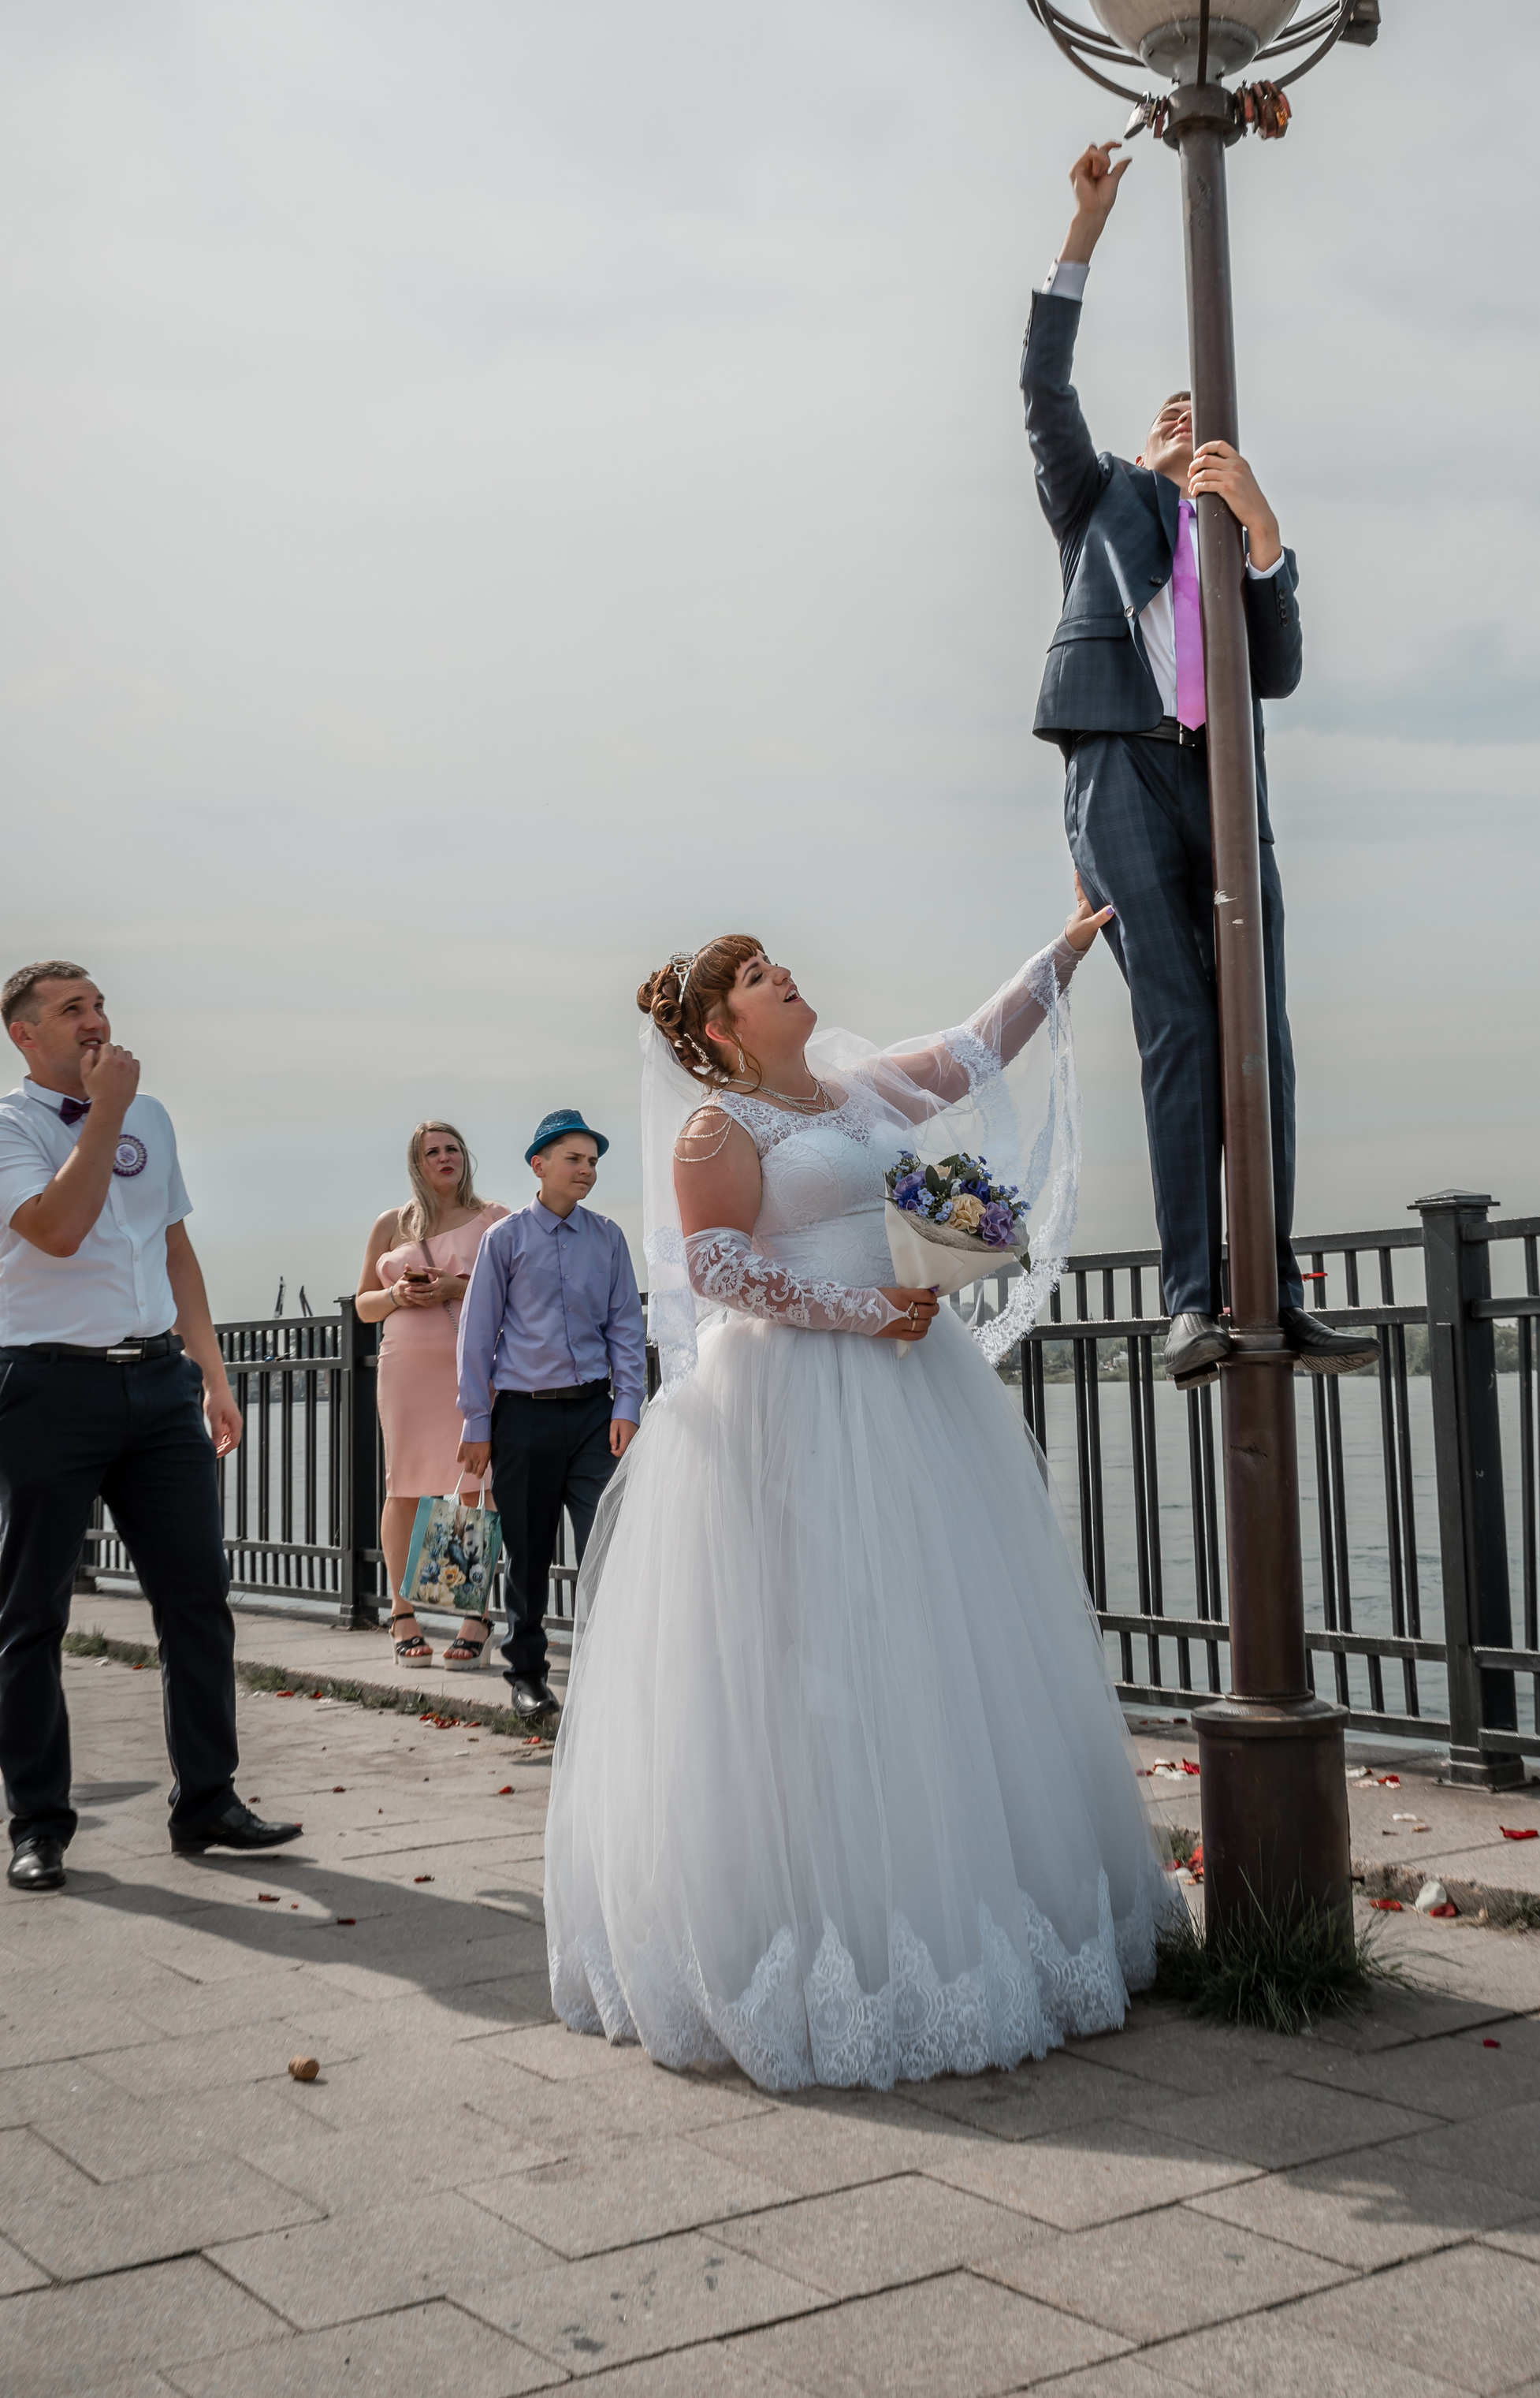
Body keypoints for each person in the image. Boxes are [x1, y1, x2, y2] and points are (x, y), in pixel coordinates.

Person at [543, 888, 1183, 2093]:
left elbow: (980, 1042)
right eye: (760, 976)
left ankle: (971, 1903)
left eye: (780, 965)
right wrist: (866, 1307)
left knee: (944, 1635)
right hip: (798, 1399)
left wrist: (1071, 942)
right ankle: (829, 1935)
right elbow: (719, 1265)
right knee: (821, 1650)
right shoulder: (716, 1131)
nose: (787, 978)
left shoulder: (862, 1088)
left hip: (913, 1387)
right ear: (722, 1028)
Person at [1020, 140, 1367, 1382]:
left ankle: (1268, 1276)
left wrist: (1265, 529)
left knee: (1257, 1024)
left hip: (1227, 784)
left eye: (1198, 418)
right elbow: (1042, 387)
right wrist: (1084, 232)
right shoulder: (1099, 498)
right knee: (1177, 1021)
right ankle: (1189, 1298)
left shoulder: (1229, 534)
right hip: (1120, 769)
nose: (1184, 419)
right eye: (1167, 414)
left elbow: (1272, 672)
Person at [0, 961, 303, 1891]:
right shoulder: (11, 1128)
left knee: (198, 1598)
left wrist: (212, 1376)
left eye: (99, 1004)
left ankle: (207, 1799)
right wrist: (103, 1116)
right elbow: (57, 1226)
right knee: (31, 1615)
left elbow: (172, 1243)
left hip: (158, 1383)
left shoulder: (151, 1116)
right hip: (46, 1387)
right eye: (71, 1010)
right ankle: (39, 1823)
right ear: (26, 1035)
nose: (95, 1021)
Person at [456, 1111, 645, 1726]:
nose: (588, 1169)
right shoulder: (504, 1239)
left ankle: (609, 1667)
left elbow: (625, 1327)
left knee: (608, 1543)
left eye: (593, 1160)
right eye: (575, 1158)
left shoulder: (609, 1237)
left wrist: (627, 1404)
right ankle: (529, 1676)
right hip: (522, 1419)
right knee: (528, 1551)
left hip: (596, 1416)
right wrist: (477, 1423)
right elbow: (477, 1334)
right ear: (539, 1164)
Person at [355, 1123, 509, 1671]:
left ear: (465, 1157)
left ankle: (475, 1617)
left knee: (472, 1484)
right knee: (404, 1487)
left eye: (452, 1148)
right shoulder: (392, 1224)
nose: (444, 1157)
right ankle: (402, 1613)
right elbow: (364, 1307)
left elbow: (523, 1286)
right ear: (416, 1163)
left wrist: (453, 1287)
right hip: (406, 1368)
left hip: (471, 1367)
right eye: (432, 1151)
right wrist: (397, 1291)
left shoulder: (495, 1218)